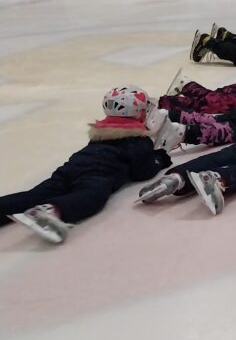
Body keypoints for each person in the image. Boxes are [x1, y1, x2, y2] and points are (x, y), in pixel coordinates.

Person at [2, 86, 170, 243]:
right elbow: (142, 171)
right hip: (98, 174)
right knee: (91, 196)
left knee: (36, 194)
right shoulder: (139, 140)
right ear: (139, 112)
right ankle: (52, 210)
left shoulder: (102, 132)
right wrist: (160, 158)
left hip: (72, 166)